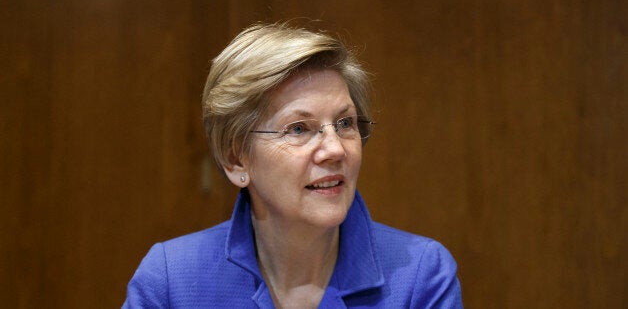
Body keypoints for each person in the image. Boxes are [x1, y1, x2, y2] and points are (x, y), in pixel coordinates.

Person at [123, 22, 463, 308]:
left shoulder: (420, 275)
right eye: (299, 129)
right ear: (235, 158)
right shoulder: (172, 282)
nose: (334, 150)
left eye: (345, 123)